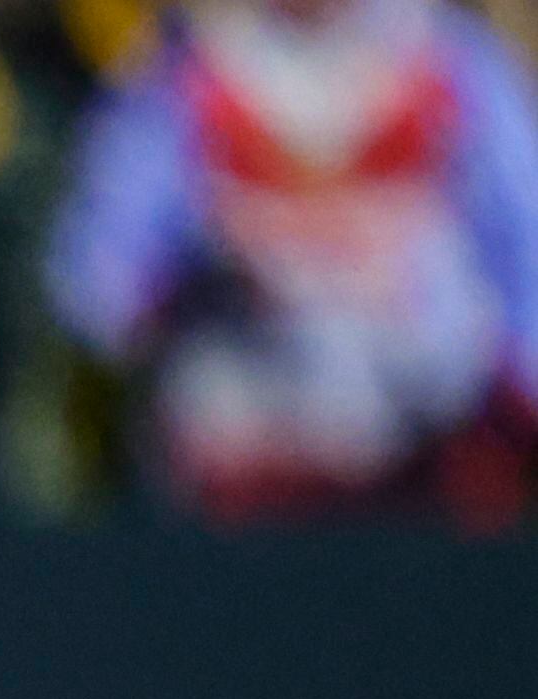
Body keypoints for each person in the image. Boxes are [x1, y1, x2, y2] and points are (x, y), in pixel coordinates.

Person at [46, 0, 538, 522]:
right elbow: (94, 290)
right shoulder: (187, 66)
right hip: (241, 477)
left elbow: (526, 268)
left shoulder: (452, 60)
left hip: (433, 472)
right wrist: (211, 263)